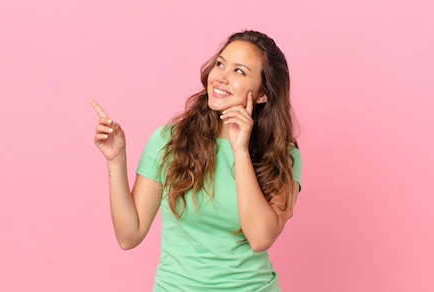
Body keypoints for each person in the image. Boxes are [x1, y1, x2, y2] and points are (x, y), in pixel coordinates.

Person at [90, 30, 302, 291]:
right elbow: (129, 235)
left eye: (239, 71)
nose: (221, 77)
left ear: (263, 94)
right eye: (220, 64)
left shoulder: (283, 155)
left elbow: (260, 238)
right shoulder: (169, 141)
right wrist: (116, 160)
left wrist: (240, 150)